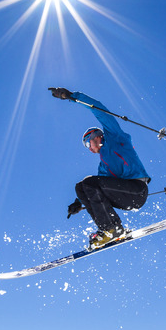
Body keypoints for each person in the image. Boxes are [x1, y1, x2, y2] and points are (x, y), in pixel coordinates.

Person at [49, 87, 151, 250]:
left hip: (137, 190)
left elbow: (99, 109)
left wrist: (71, 96)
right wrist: (79, 202)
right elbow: (95, 190)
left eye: (87, 142)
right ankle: (111, 229)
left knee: (89, 182)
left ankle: (110, 228)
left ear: (96, 136)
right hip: (124, 196)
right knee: (81, 187)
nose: (88, 147)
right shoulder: (103, 166)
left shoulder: (115, 138)